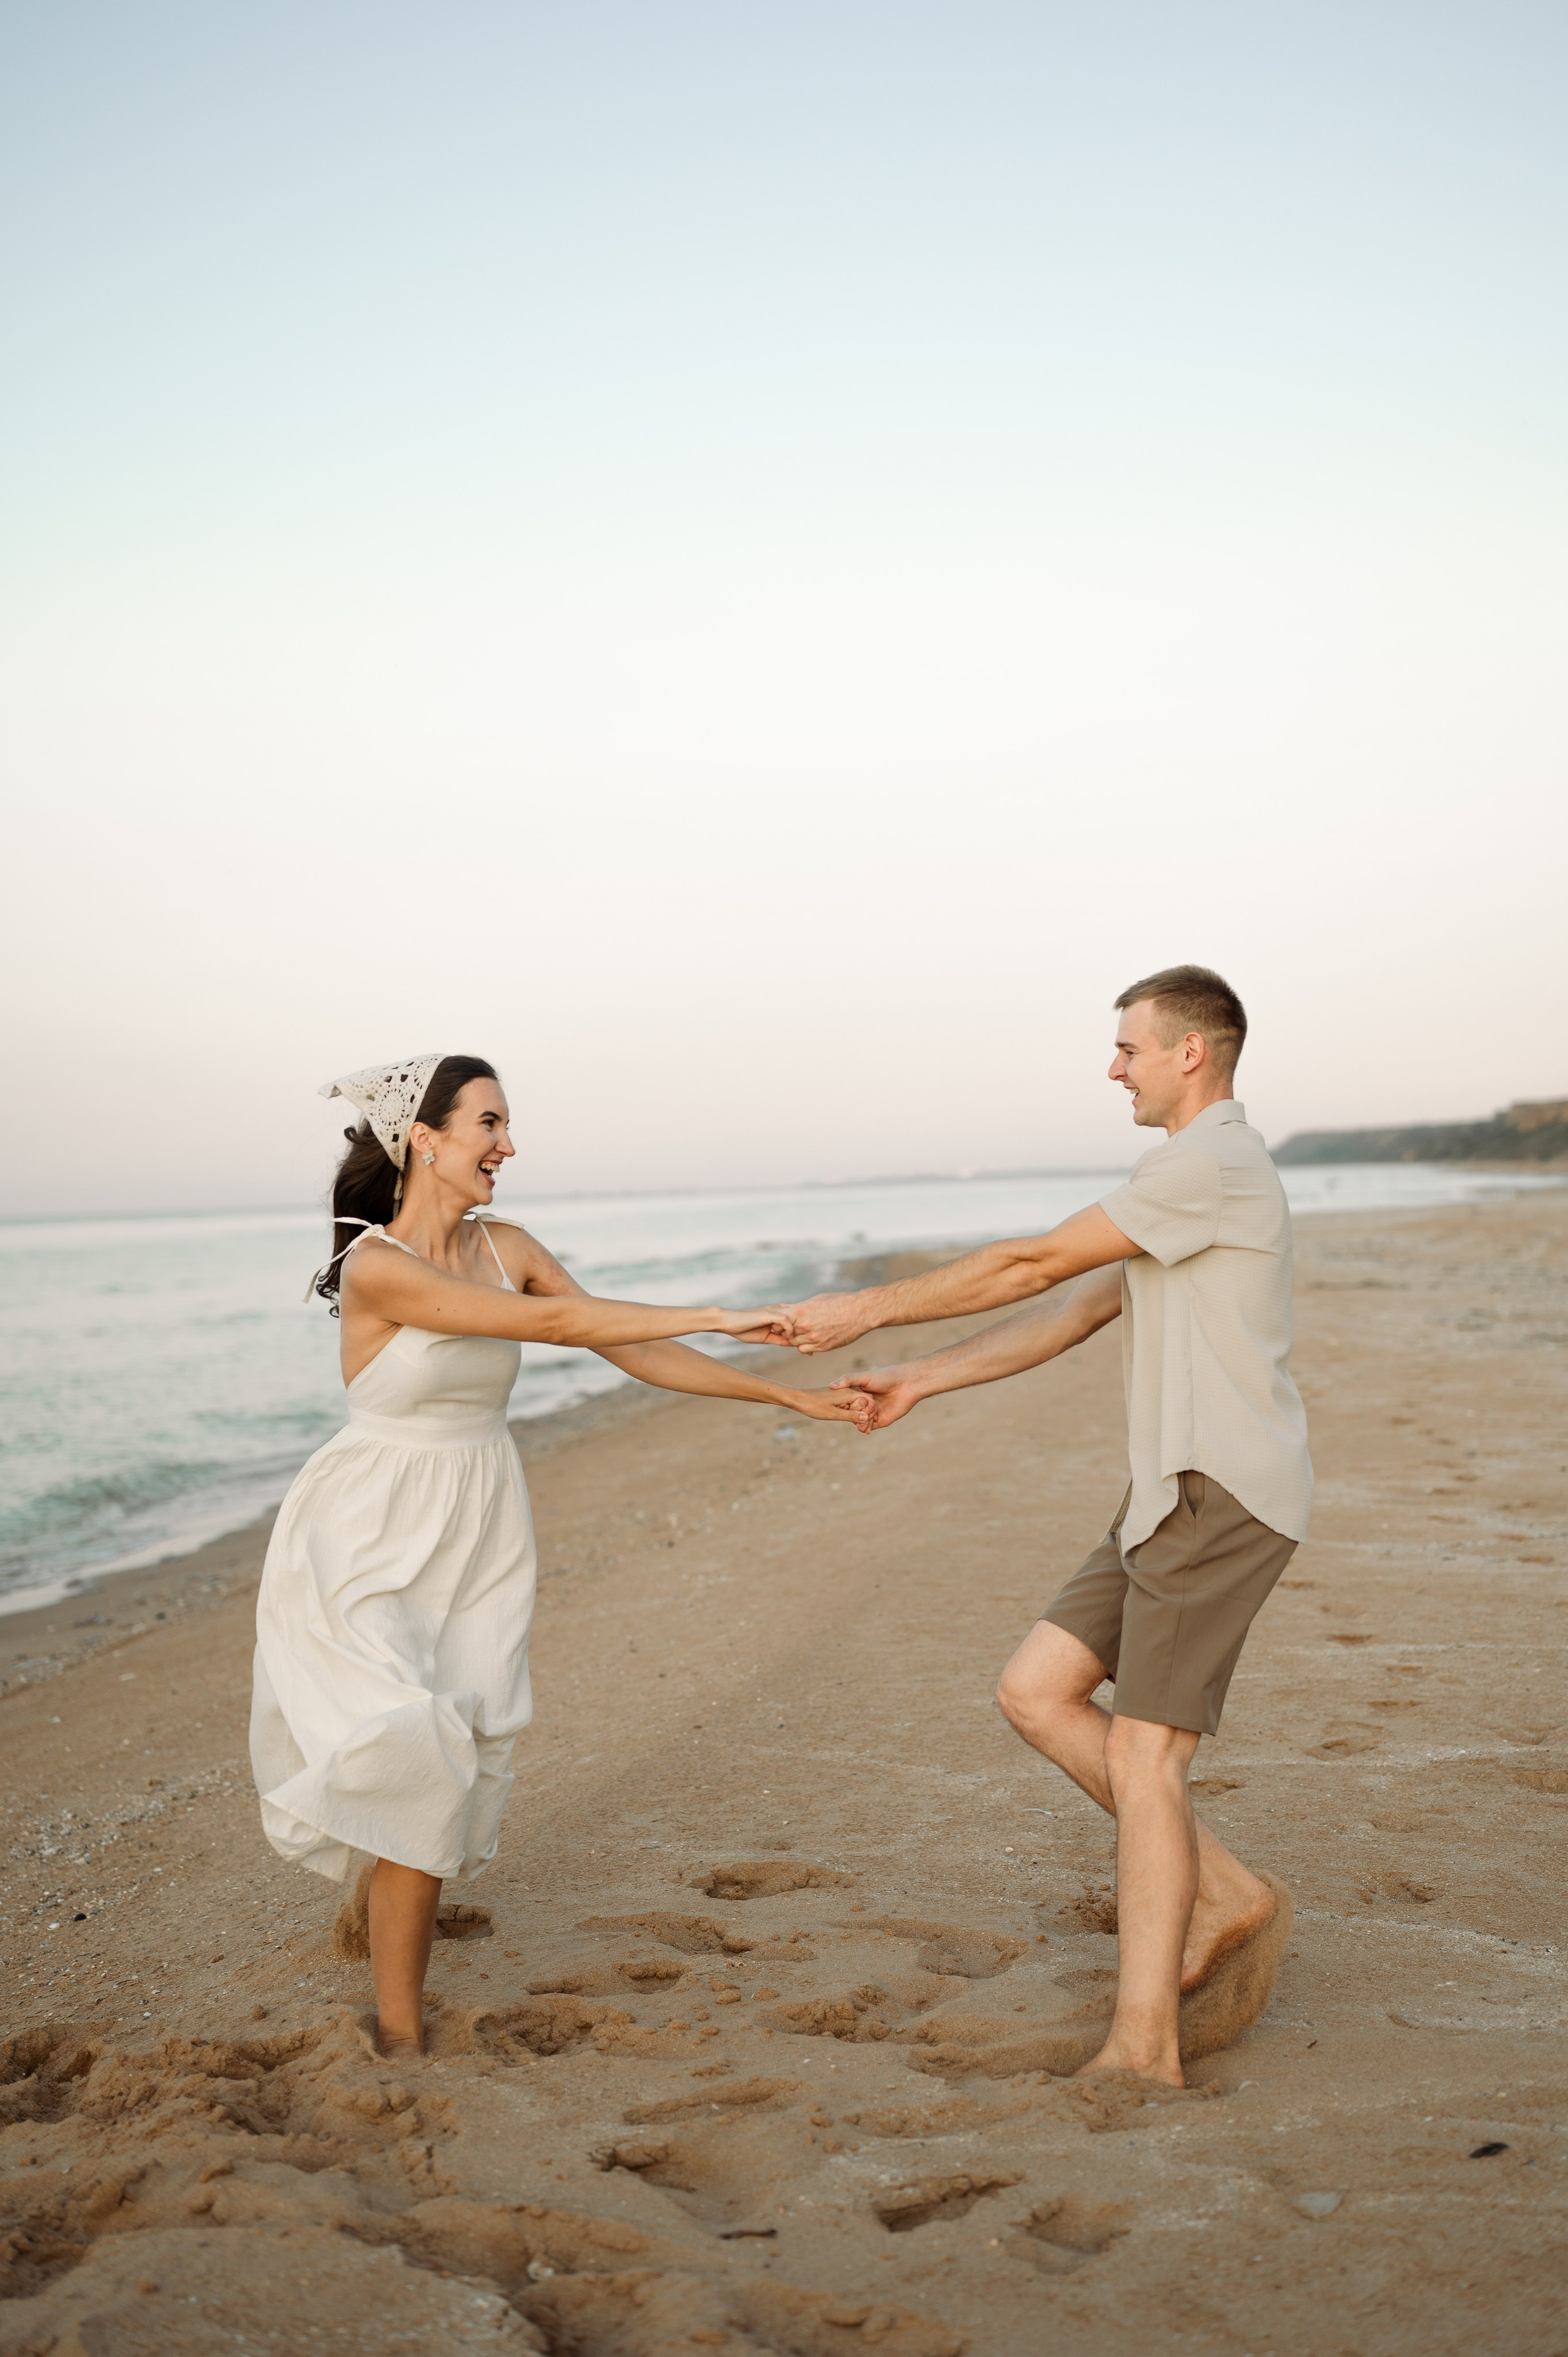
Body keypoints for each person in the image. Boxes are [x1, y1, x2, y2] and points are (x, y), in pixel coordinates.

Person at [251, 1052, 865, 2058]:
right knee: (415, 1746)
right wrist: (718, 1307)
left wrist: (786, 1396)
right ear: (427, 1138)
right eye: (488, 1124)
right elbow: (557, 1324)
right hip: (364, 1529)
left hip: (479, 1517)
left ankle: (383, 1891)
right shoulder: (377, 1266)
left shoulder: (509, 1244)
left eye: (504, 1124)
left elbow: (630, 1351)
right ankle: (401, 2034)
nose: (507, 1145)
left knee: (463, 1736)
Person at [768, 967, 1311, 2087]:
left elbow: (1029, 1263)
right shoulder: (1180, 1178)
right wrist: (919, 1376)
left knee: (1144, 1755)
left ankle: (1143, 2047)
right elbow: (1071, 1312)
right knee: (1036, 1690)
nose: (1113, 1066)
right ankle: (1229, 1891)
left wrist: (861, 1307)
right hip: (1166, 1493)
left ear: (1191, 1054)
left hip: (1218, 1492)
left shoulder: (1211, 1166)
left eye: (1129, 1047)